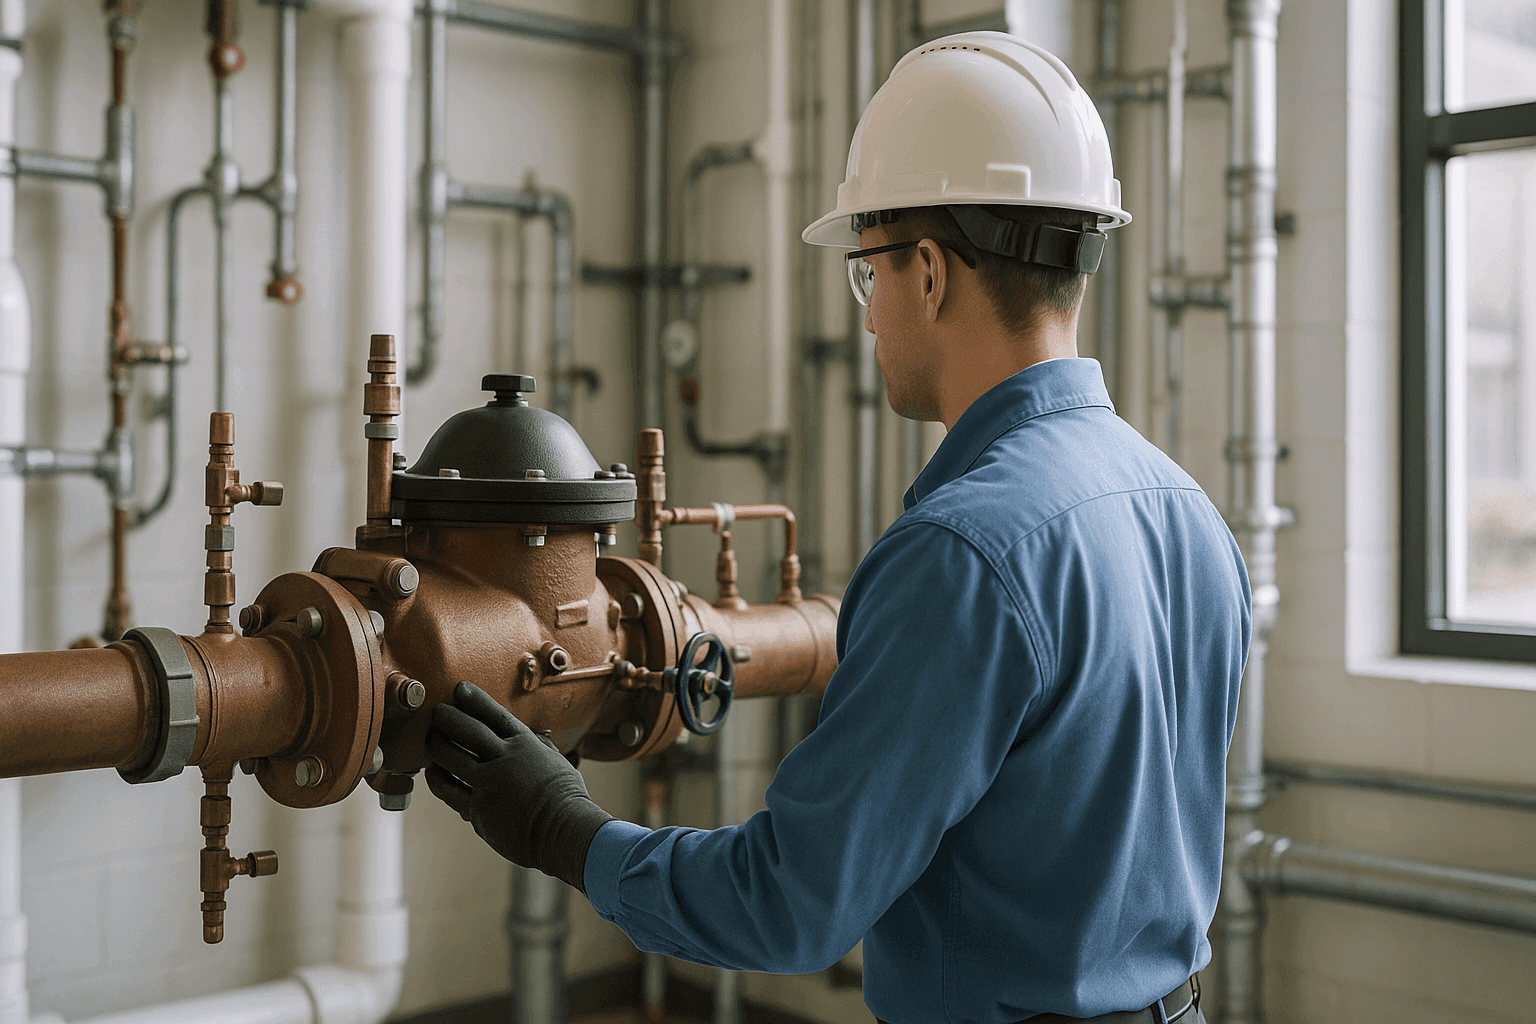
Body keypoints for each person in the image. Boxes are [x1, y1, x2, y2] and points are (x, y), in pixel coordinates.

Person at [423, 31, 1250, 1024]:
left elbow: (790, 903)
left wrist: (562, 828)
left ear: (931, 272)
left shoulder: (964, 552)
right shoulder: (1190, 512)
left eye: (869, 272)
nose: (867, 316)